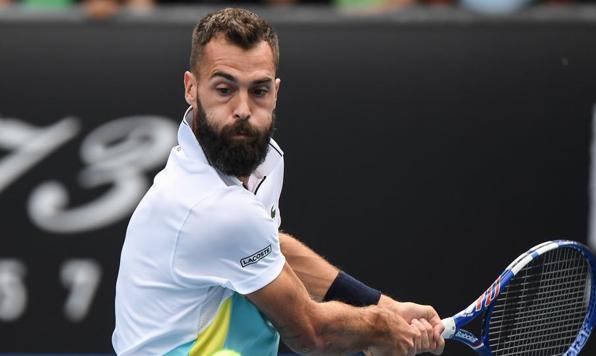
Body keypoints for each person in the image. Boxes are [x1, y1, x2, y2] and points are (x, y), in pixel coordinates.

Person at [112, 8, 445, 355]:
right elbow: (311, 334)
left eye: (259, 91)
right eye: (224, 89)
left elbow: (270, 249)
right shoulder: (208, 205)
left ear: (276, 92)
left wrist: (384, 306)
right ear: (191, 88)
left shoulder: (261, 165)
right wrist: (380, 328)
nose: (243, 108)